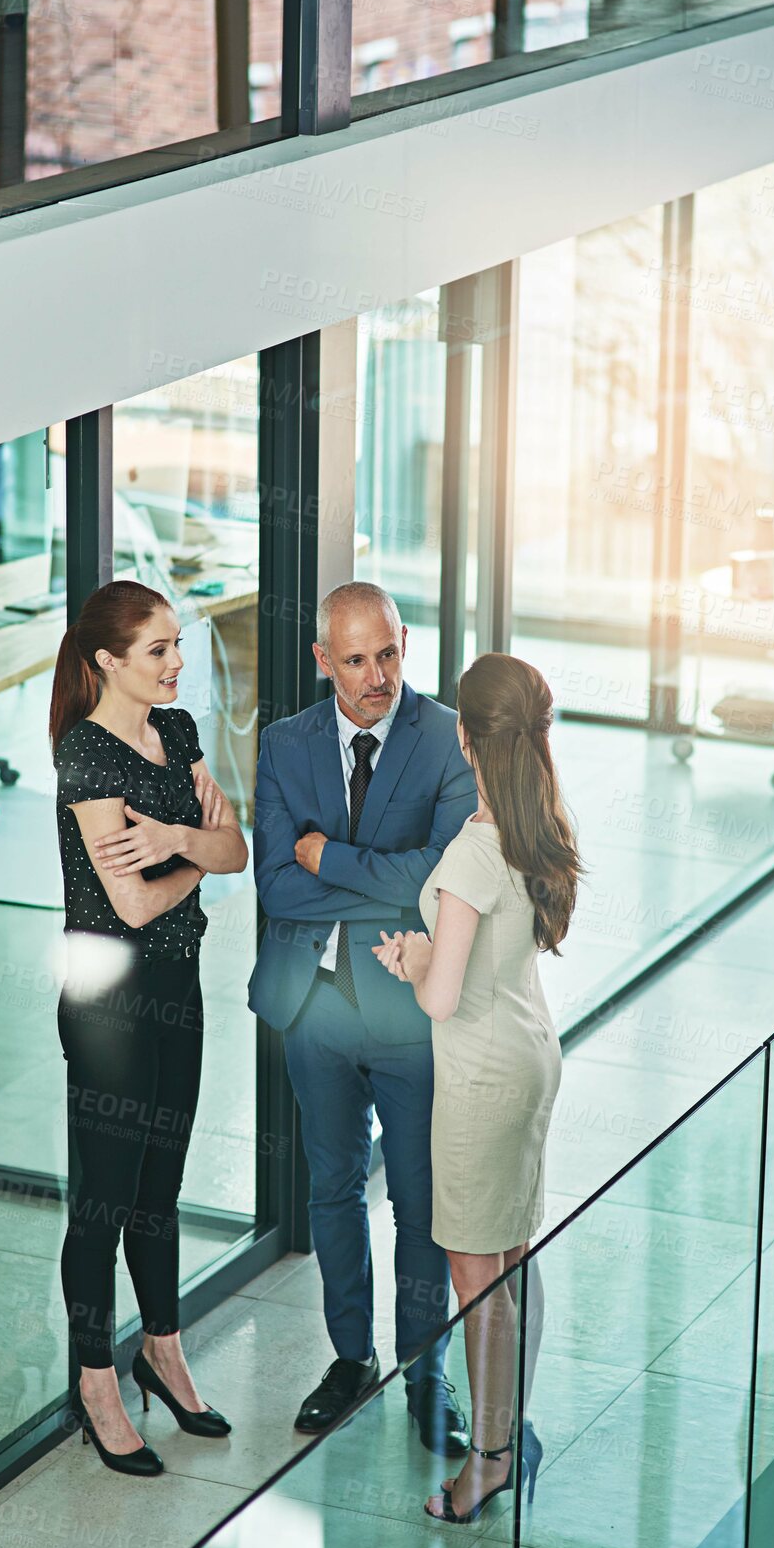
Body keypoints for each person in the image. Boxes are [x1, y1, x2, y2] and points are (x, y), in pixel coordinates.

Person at [248, 581, 476, 1453]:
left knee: (418, 1204)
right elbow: (274, 883)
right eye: (355, 660)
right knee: (332, 1190)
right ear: (322, 660)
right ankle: (351, 1360)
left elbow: (441, 877)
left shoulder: (446, 738)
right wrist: (372, 871)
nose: (377, 675)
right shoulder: (283, 744)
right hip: (315, 1006)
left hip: (410, 1008)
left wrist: (329, 856)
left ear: (403, 640)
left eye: (388, 653)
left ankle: (427, 1376)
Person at [373, 652, 581, 1523]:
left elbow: (442, 996)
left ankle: (488, 1461)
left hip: (482, 1077)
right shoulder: (536, 823)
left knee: (477, 1277)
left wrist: (414, 959)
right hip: (531, 1052)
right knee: (513, 1259)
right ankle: (508, 1428)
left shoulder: (470, 852)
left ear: (464, 736)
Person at [49, 580, 248, 1475]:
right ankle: (96, 1381)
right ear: (107, 662)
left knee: (159, 1185)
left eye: (177, 644)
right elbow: (126, 905)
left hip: (178, 981)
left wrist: (176, 842)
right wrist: (191, 854)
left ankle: (161, 1352)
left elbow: (235, 846)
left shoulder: (177, 734)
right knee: (104, 1196)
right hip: (109, 1000)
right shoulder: (85, 757)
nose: (178, 662)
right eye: (159, 650)